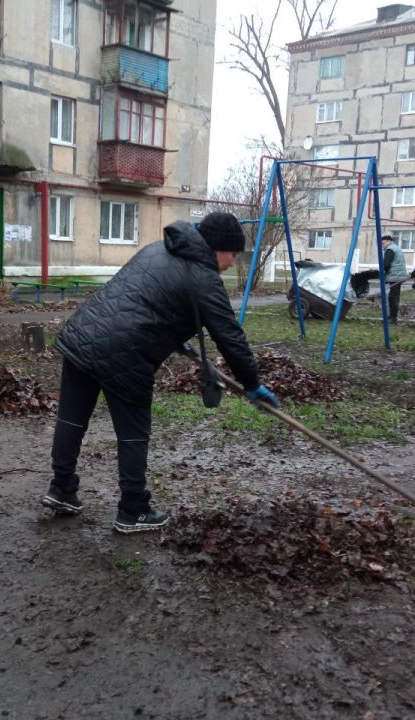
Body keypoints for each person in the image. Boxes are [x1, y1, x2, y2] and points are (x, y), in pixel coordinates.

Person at [41, 212, 281, 534]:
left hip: (84, 334)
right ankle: (133, 510)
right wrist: (252, 383)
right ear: (217, 248)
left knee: (72, 419)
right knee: (133, 433)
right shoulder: (205, 278)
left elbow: (141, 297)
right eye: (233, 253)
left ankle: (62, 489)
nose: (233, 260)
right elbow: (230, 337)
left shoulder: (159, 249)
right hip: (125, 355)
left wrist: (173, 334)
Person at [380, 234, 407, 324]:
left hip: (395, 276)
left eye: (383, 243)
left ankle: (393, 317)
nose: (382, 245)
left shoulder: (390, 249)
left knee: (393, 297)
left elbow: (386, 264)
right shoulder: (396, 248)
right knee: (394, 296)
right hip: (398, 275)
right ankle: (392, 315)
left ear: (388, 241)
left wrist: (383, 273)